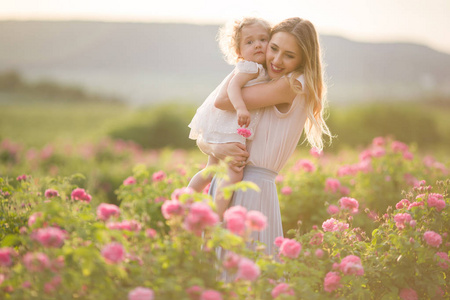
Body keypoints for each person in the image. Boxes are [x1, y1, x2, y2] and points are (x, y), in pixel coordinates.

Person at [197, 17, 332, 256]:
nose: (277, 60)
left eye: (289, 55)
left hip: (252, 190)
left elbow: (221, 102)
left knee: (241, 271)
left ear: (303, 60)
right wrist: (214, 148)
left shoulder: (292, 84)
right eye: (274, 48)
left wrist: (239, 73)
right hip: (229, 179)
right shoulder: (265, 80)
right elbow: (206, 133)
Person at [188, 17, 272, 219]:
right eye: (249, 42)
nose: (258, 45)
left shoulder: (255, 68)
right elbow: (233, 87)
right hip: (229, 125)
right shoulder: (250, 67)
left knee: (211, 168)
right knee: (234, 173)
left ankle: (186, 199)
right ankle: (215, 215)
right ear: (238, 52)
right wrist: (241, 108)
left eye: (263, 39)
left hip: (218, 122)